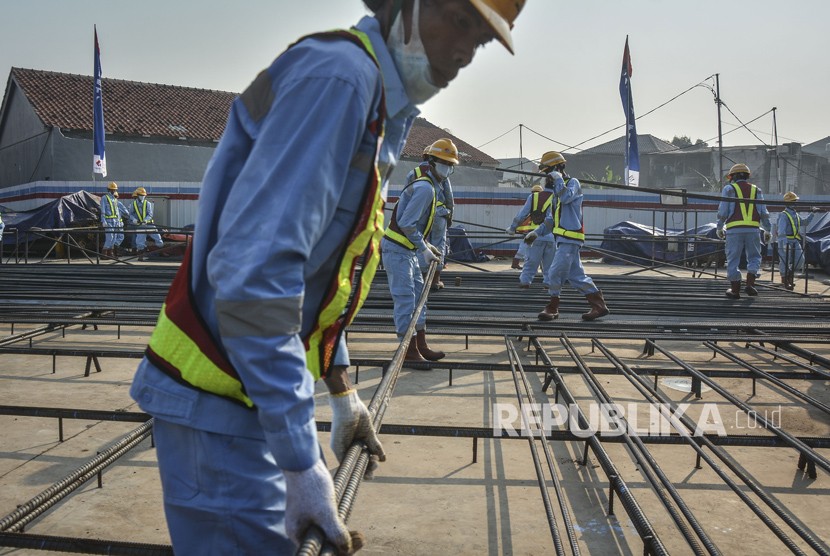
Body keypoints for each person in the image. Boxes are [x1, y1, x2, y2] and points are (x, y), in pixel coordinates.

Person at [128, 1, 525, 554]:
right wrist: (299, 457)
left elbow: (324, 272)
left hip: (246, 395)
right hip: (218, 398)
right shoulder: (340, 81)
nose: (464, 52)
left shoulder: (378, 106)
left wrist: (340, 390)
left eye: (480, 41)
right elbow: (258, 274)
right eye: (460, 21)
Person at [383, 138, 459, 363]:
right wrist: (424, 247)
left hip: (407, 251)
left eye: (450, 164)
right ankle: (407, 350)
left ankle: (421, 344)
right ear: (432, 162)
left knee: (419, 299)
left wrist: (427, 245)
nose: (448, 168)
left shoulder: (431, 186)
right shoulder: (425, 188)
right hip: (397, 251)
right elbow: (406, 223)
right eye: (444, 163)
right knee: (406, 299)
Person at [526, 151, 610, 321]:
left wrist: (557, 178)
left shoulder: (573, 183)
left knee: (554, 271)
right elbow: (551, 220)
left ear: (558, 168)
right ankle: (599, 305)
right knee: (576, 276)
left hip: (571, 239)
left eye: (548, 172)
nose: (547, 177)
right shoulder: (555, 193)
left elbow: (566, 198)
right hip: (563, 240)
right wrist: (536, 233)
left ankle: (552, 307)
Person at [716, 163, 771, 298]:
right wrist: (768, 229)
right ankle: (750, 284)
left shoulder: (729, 189)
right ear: (747, 176)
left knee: (733, 258)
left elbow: (723, 210)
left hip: (734, 230)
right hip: (753, 230)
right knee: (754, 257)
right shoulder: (756, 190)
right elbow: (763, 212)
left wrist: (719, 227)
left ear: (733, 176)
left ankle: (735, 290)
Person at [410, 139, 456, 291]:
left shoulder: (414, 173)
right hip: (439, 214)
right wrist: (449, 218)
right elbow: (449, 199)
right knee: (438, 246)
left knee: (420, 244)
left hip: (420, 214)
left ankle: (421, 280)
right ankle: (435, 281)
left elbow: (406, 195)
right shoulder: (443, 175)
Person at [506, 182, 555, 289]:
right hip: (552, 237)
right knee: (549, 265)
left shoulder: (533, 197)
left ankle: (525, 282)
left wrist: (512, 228)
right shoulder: (558, 198)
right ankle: (548, 284)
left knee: (530, 263)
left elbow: (522, 214)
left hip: (534, 236)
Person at [776, 191, 818, 291]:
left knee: (800, 260)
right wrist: (785, 244)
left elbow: (804, 222)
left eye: (795, 201)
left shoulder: (795, 214)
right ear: (788, 203)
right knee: (784, 262)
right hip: (785, 241)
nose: (795, 203)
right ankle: (785, 281)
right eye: (793, 201)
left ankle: (789, 274)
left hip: (794, 241)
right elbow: (781, 232)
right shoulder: (784, 215)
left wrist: (812, 213)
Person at [129, 187, 164, 254]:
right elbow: (131, 214)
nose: (142, 197)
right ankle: (141, 254)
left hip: (149, 225)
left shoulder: (148, 203)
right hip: (140, 226)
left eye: (143, 195)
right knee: (139, 241)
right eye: (141, 195)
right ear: (138, 195)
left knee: (158, 238)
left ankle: (160, 251)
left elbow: (150, 214)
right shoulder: (133, 204)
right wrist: (134, 220)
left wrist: (145, 220)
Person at [100, 182, 128, 258]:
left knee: (114, 237)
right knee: (110, 237)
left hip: (115, 221)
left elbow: (117, 211)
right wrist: (103, 220)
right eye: (112, 189)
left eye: (114, 190)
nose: (113, 191)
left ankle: (110, 253)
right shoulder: (104, 198)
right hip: (108, 221)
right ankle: (104, 253)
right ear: (108, 189)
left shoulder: (115, 200)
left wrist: (119, 221)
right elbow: (102, 210)